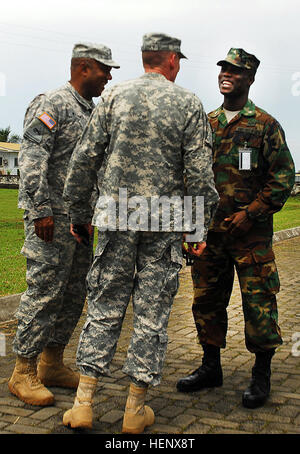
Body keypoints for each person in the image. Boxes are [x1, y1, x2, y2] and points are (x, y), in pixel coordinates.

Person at [62, 32, 219, 433]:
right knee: (151, 313)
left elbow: (85, 158)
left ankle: (83, 404)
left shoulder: (113, 98)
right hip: (163, 221)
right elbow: (200, 174)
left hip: (116, 215)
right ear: (169, 60)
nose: (179, 66)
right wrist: (197, 229)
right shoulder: (188, 103)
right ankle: (134, 409)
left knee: (103, 306)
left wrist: (79, 213)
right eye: (178, 60)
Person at [176, 48, 295, 409]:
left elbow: (282, 178)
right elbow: (187, 179)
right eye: (224, 69)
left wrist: (252, 212)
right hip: (210, 236)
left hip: (251, 238)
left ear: (250, 79)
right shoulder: (205, 124)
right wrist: (189, 228)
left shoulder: (264, 125)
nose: (227, 74)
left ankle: (261, 376)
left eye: (236, 71)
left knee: (259, 304)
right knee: (206, 302)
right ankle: (210, 367)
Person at [8, 42, 120, 407]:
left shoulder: (92, 111)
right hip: (50, 222)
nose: (109, 76)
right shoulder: (52, 103)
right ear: (84, 67)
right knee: (43, 292)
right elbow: (32, 156)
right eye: (105, 69)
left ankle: (51, 363)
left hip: (80, 224)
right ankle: (22, 371)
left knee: (72, 295)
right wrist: (40, 209)